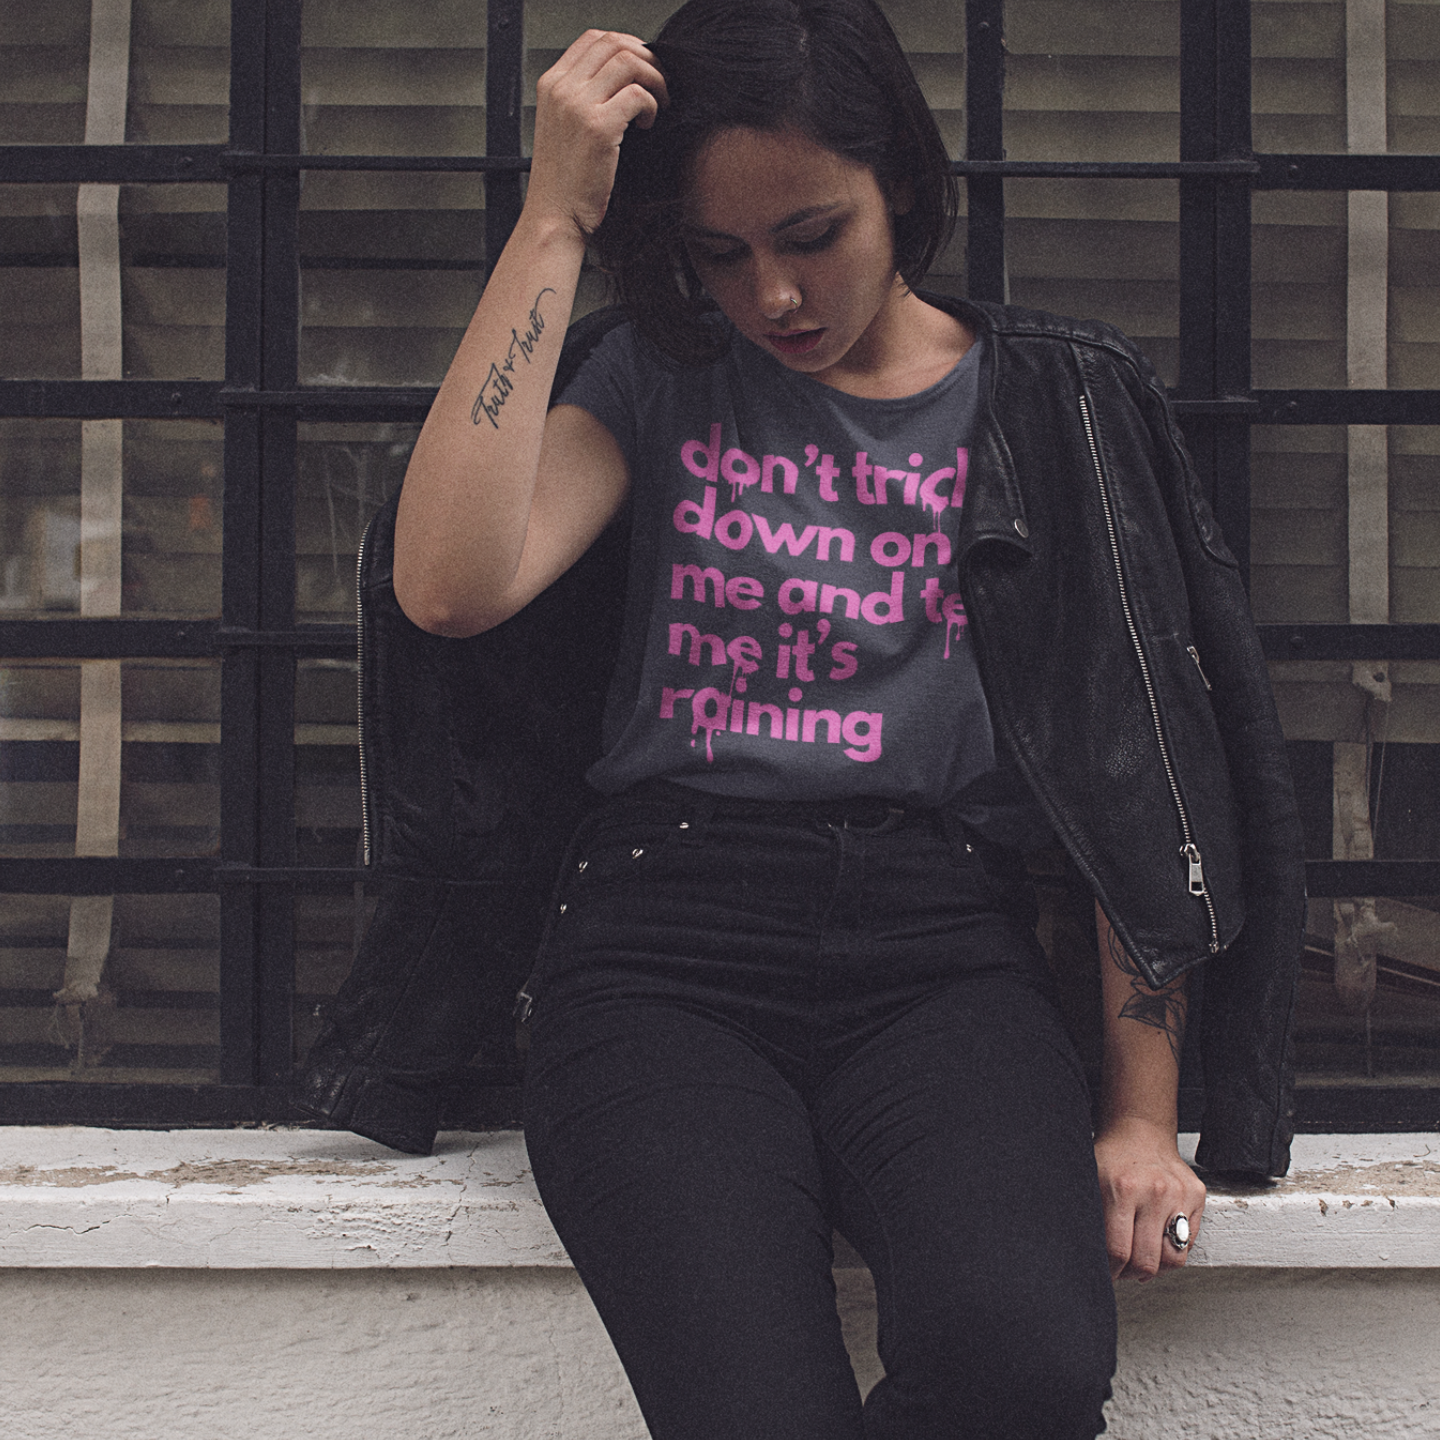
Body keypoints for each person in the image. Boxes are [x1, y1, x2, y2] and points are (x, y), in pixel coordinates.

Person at [390, 2, 1303, 1436]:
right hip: (662, 948)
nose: (776, 296)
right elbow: (448, 586)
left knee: (1032, 1358)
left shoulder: (1048, 406)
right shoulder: (659, 380)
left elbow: (1135, 765)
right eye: (722, 254)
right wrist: (556, 224)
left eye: (813, 233)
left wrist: (1141, 1114)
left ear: (907, 190)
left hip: (944, 948)